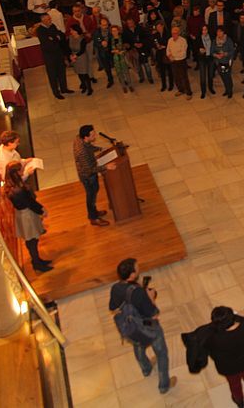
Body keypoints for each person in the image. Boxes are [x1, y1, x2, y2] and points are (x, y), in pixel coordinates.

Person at [108, 258, 175, 394]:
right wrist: (150, 297)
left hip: (131, 327)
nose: (139, 268)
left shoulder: (115, 287)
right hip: (147, 325)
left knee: (138, 345)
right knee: (162, 353)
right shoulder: (138, 293)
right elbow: (154, 315)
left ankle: (146, 369)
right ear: (132, 275)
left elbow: (113, 307)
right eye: (136, 267)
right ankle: (164, 385)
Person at [4, 161, 52, 273]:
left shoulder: (10, 186)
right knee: (32, 240)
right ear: (16, 173)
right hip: (27, 215)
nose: (22, 171)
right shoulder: (18, 190)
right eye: (20, 170)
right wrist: (41, 210)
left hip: (22, 214)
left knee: (31, 239)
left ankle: (37, 261)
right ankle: (37, 264)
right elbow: (30, 203)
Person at [206, 306, 244, 408]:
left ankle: (239, 401)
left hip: (230, 368)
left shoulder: (215, 338)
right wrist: (235, 315)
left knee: (235, 384)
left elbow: (213, 354)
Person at [72, 125, 114, 226]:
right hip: (87, 176)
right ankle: (93, 218)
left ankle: (94, 212)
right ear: (86, 137)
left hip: (90, 172)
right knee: (91, 196)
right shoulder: (82, 152)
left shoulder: (80, 138)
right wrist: (106, 167)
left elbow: (89, 147)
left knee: (94, 192)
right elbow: (89, 169)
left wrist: (99, 149)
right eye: (93, 134)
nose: (95, 135)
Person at [36, 14, 72, 99]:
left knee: (62, 71)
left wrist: (54, 38)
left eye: (50, 19)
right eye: (48, 19)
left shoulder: (52, 26)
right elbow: (47, 43)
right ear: (43, 21)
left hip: (58, 54)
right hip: (49, 57)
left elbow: (61, 35)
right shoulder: (40, 31)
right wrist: (56, 38)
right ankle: (56, 92)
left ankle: (64, 88)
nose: (50, 20)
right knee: (52, 75)